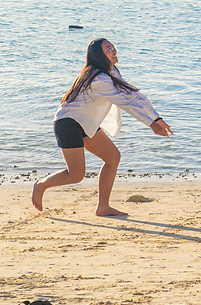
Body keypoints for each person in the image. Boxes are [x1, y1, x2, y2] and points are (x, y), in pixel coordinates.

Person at [32, 38, 173, 216]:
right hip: (68, 123)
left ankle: (103, 207)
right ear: (99, 56)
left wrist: (156, 117)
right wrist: (150, 123)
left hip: (85, 123)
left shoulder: (111, 71)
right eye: (109, 49)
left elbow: (133, 95)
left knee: (112, 157)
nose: (114, 51)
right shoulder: (98, 79)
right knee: (76, 175)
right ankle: (41, 185)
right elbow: (124, 102)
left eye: (113, 47)